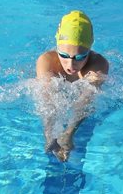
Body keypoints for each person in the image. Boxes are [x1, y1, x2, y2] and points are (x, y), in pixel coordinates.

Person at [35, 11, 109, 161]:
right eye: (63, 55)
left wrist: (69, 132)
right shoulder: (47, 62)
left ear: (90, 49)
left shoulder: (98, 64)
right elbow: (47, 99)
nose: (71, 65)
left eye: (80, 57)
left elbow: (86, 100)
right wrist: (49, 135)